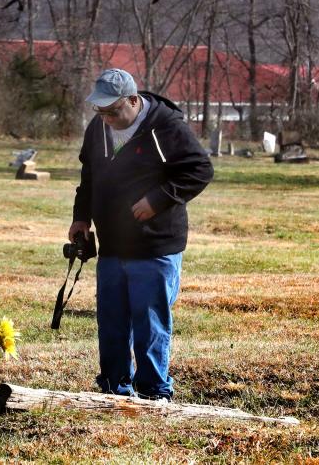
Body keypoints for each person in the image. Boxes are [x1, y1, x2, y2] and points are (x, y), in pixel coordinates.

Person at [69, 68, 213, 400]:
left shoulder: (167, 128)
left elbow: (201, 169)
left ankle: (154, 393)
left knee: (149, 324)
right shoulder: (99, 128)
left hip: (156, 244)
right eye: (100, 111)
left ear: (133, 101)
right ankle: (114, 387)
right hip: (113, 243)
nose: (106, 119)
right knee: (112, 321)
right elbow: (89, 174)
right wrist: (81, 218)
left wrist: (159, 199)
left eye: (113, 111)